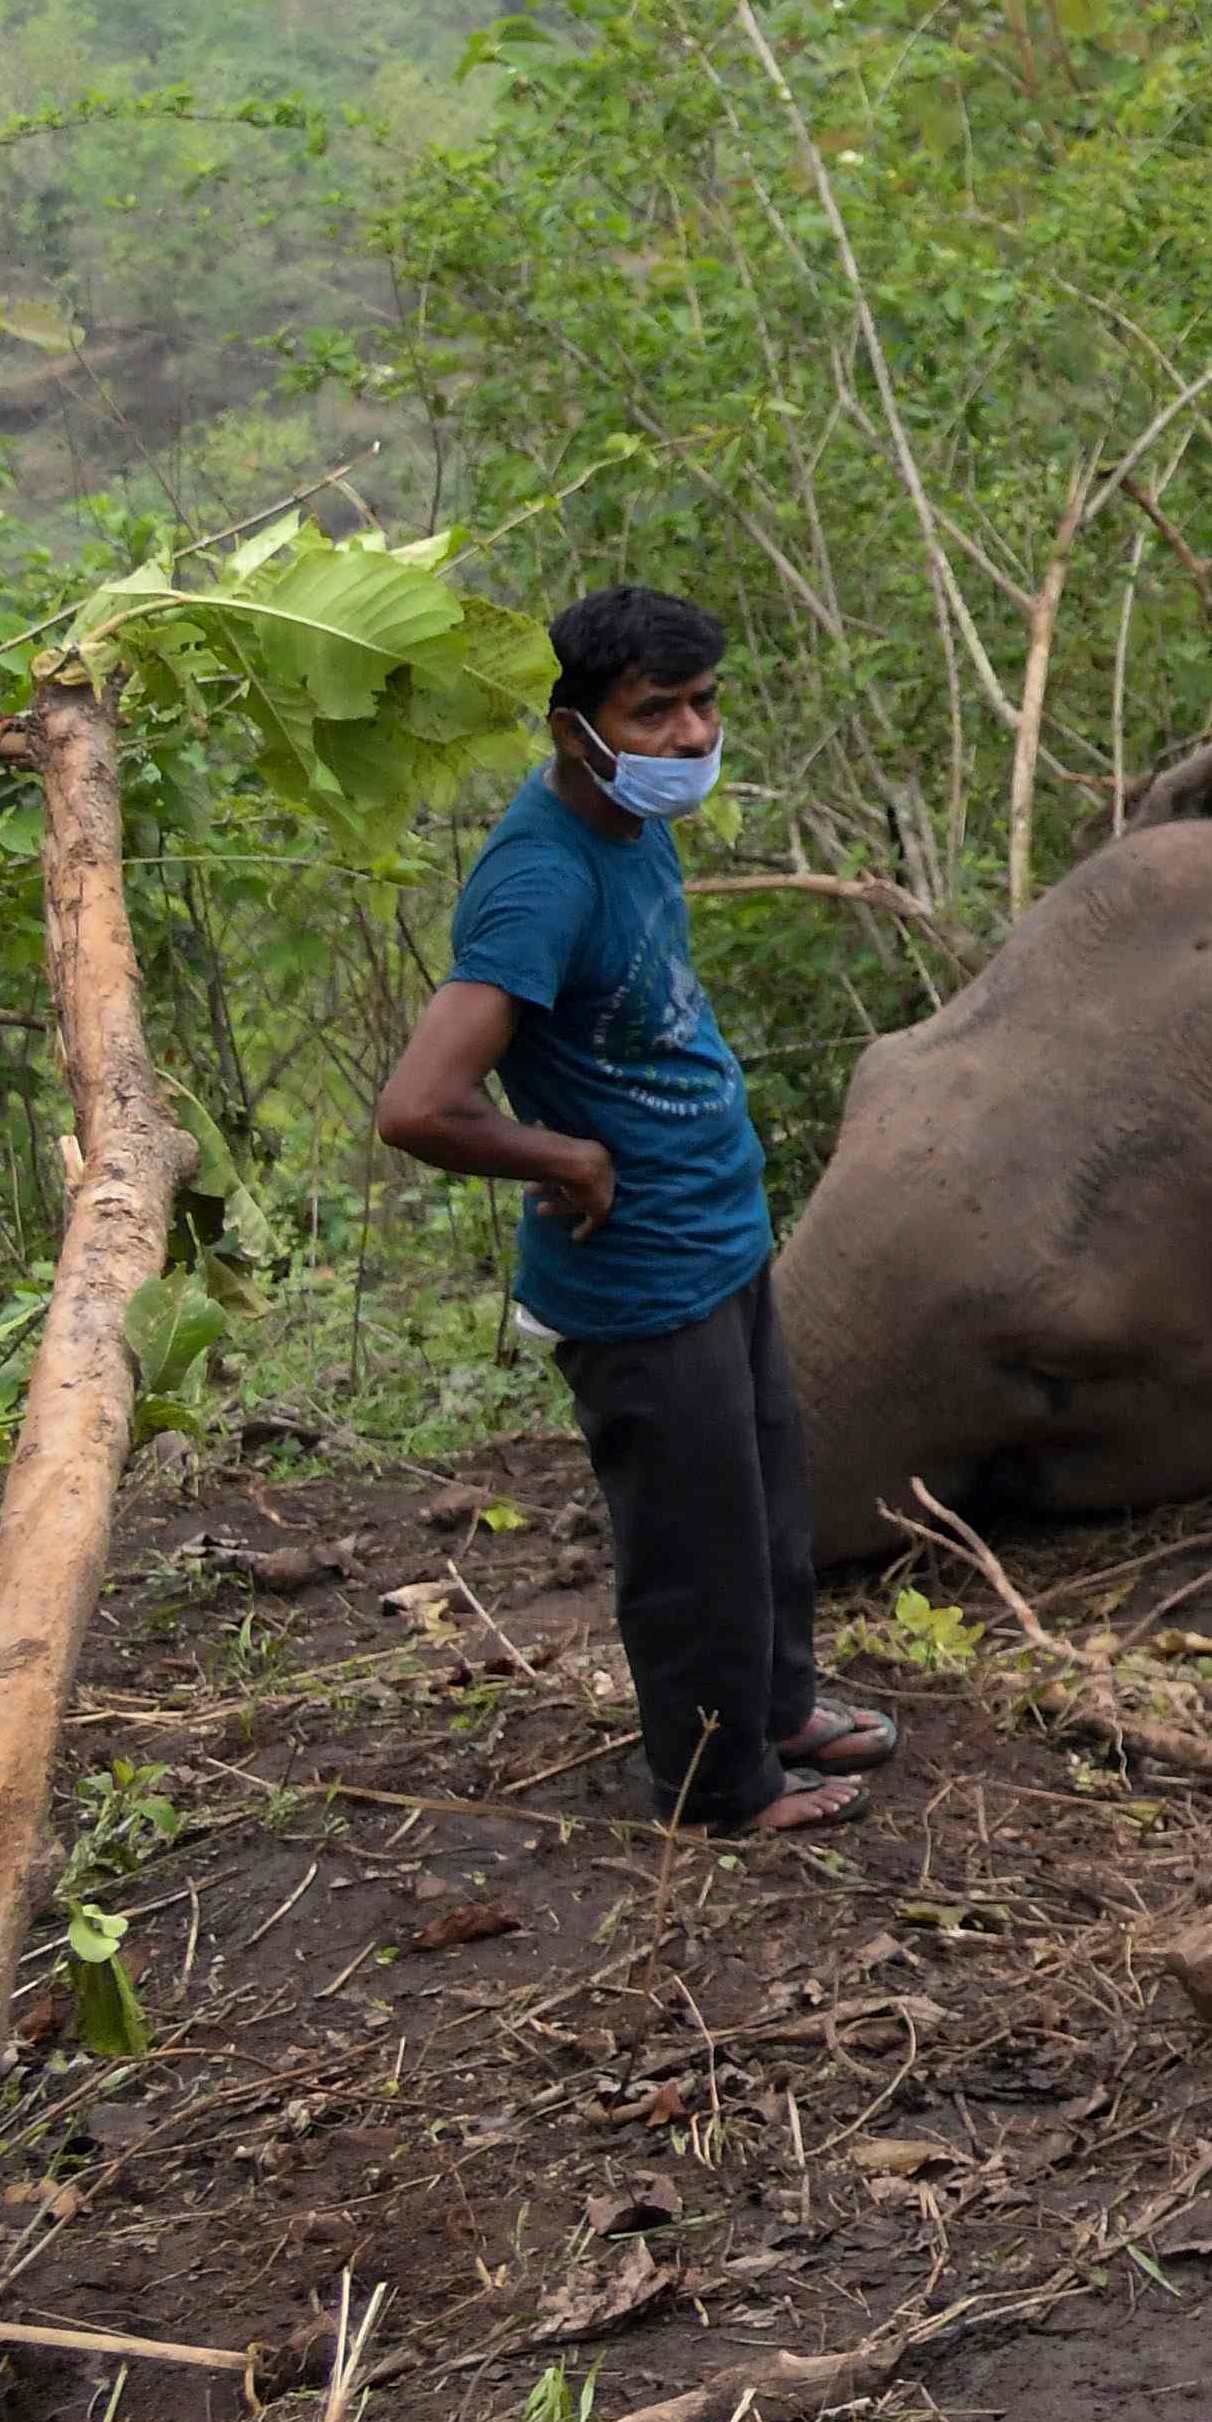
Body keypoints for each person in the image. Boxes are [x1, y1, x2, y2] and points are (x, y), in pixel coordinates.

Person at [372, 584, 888, 1835]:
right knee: (690, 1542)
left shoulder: (631, 825)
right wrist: (566, 1156)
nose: (691, 734)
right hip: (638, 1276)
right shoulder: (536, 880)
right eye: (653, 712)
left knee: (764, 1501)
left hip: (717, 1233)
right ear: (571, 729)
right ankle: (715, 1787)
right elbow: (418, 1102)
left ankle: (774, 1709)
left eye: (702, 702)